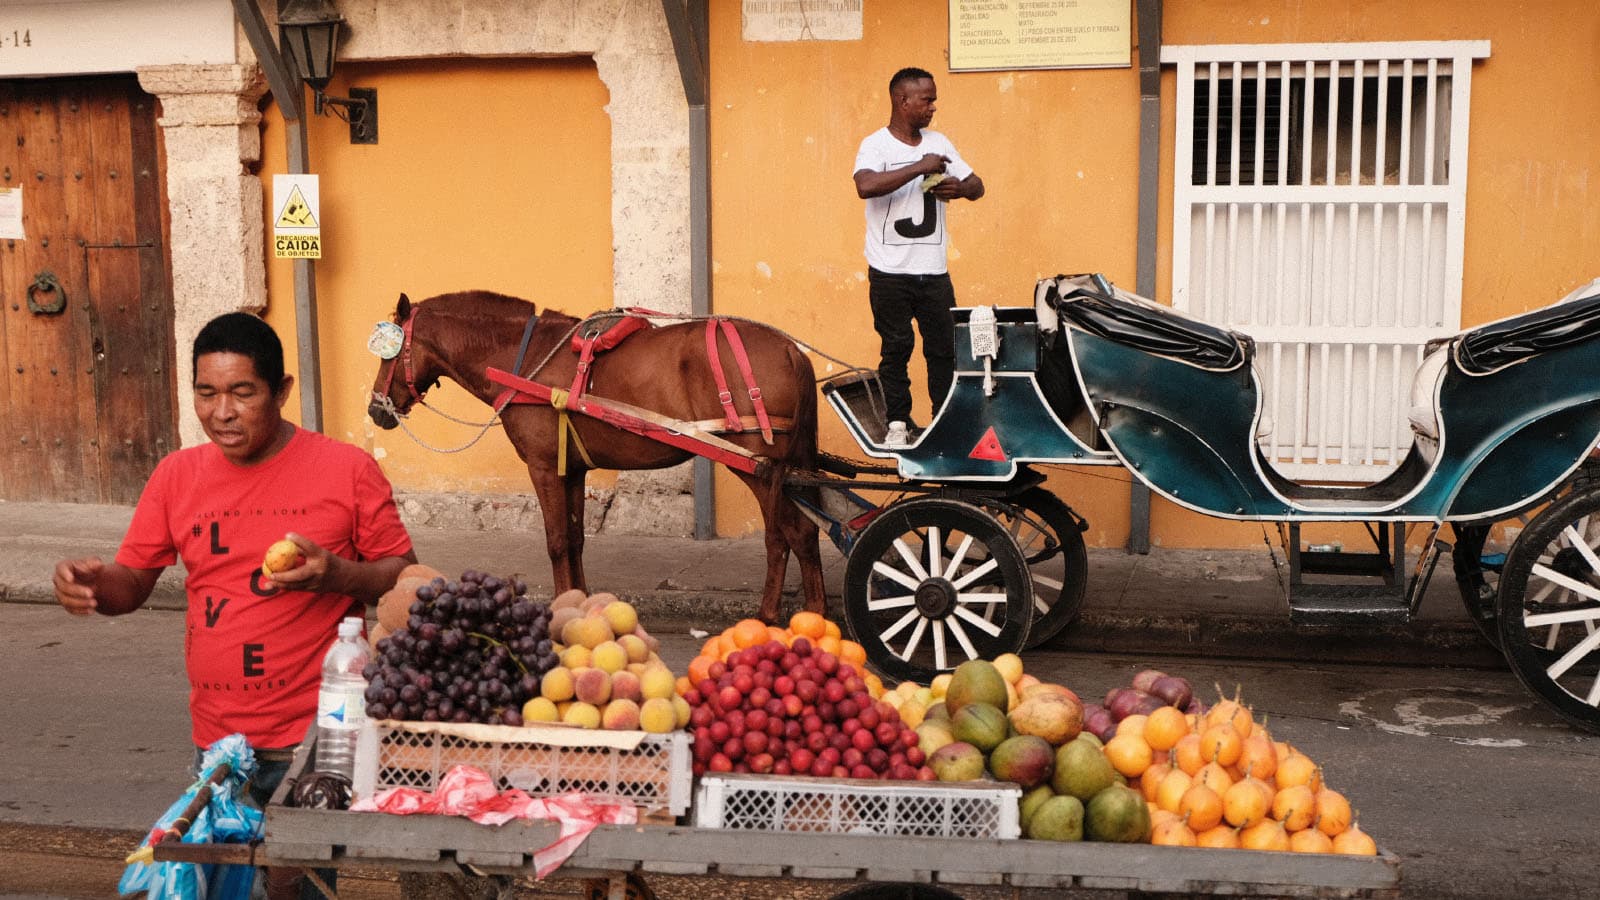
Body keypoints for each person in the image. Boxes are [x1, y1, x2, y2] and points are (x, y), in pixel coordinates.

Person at [53, 312, 416, 899]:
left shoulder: (346, 470)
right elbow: (134, 581)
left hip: (317, 740)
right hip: (218, 745)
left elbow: (404, 576)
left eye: (242, 393)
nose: (222, 412)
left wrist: (336, 574)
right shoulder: (176, 475)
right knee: (219, 886)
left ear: (281, 392)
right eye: (206, 392)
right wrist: (93, 586)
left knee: (293, 890)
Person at [853, 66, 985, 448]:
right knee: (896, 347)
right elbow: (865, 185)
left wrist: (961, 188)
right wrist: (919, 167)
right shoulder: (876, 145)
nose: (932, 107)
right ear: (902, 100)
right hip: (889, 271)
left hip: (933, 271)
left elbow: (978, 185)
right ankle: (898, 422)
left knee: (943, 350)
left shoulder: (939, 142)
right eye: (926, 100)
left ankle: (944, 420)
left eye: (933, 100)